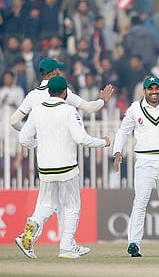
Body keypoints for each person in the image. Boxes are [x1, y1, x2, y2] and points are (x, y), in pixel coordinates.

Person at [15, 76, 110, 259]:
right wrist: (104, 143)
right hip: (67, 168)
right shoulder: (69, 110)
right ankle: (66, 246)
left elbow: (23, 139)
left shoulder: (36, 111)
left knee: (46, 204)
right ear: (65, 92)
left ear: (49, 91)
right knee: (72, 206)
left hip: (45, 169)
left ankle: (31, 226)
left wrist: (38, 144)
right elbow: (82, 139)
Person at [112, 76, 159, 257]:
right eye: (150, 89)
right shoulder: (135, 108)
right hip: (144, 160)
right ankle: (134, 243)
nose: (154, 92)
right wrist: (117, 152)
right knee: (140, 201)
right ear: (144, 91)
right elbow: (123, 131)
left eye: (157, 88)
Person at [9, 57, 114, 131]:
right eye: (58, 69)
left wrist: (33, 135)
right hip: (63, 147)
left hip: (43, 152)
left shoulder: (32, 95)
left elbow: (13, 121)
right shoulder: (62, 91)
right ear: (54, 71)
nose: (59, 71)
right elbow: (89, 108)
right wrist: (102, 100)